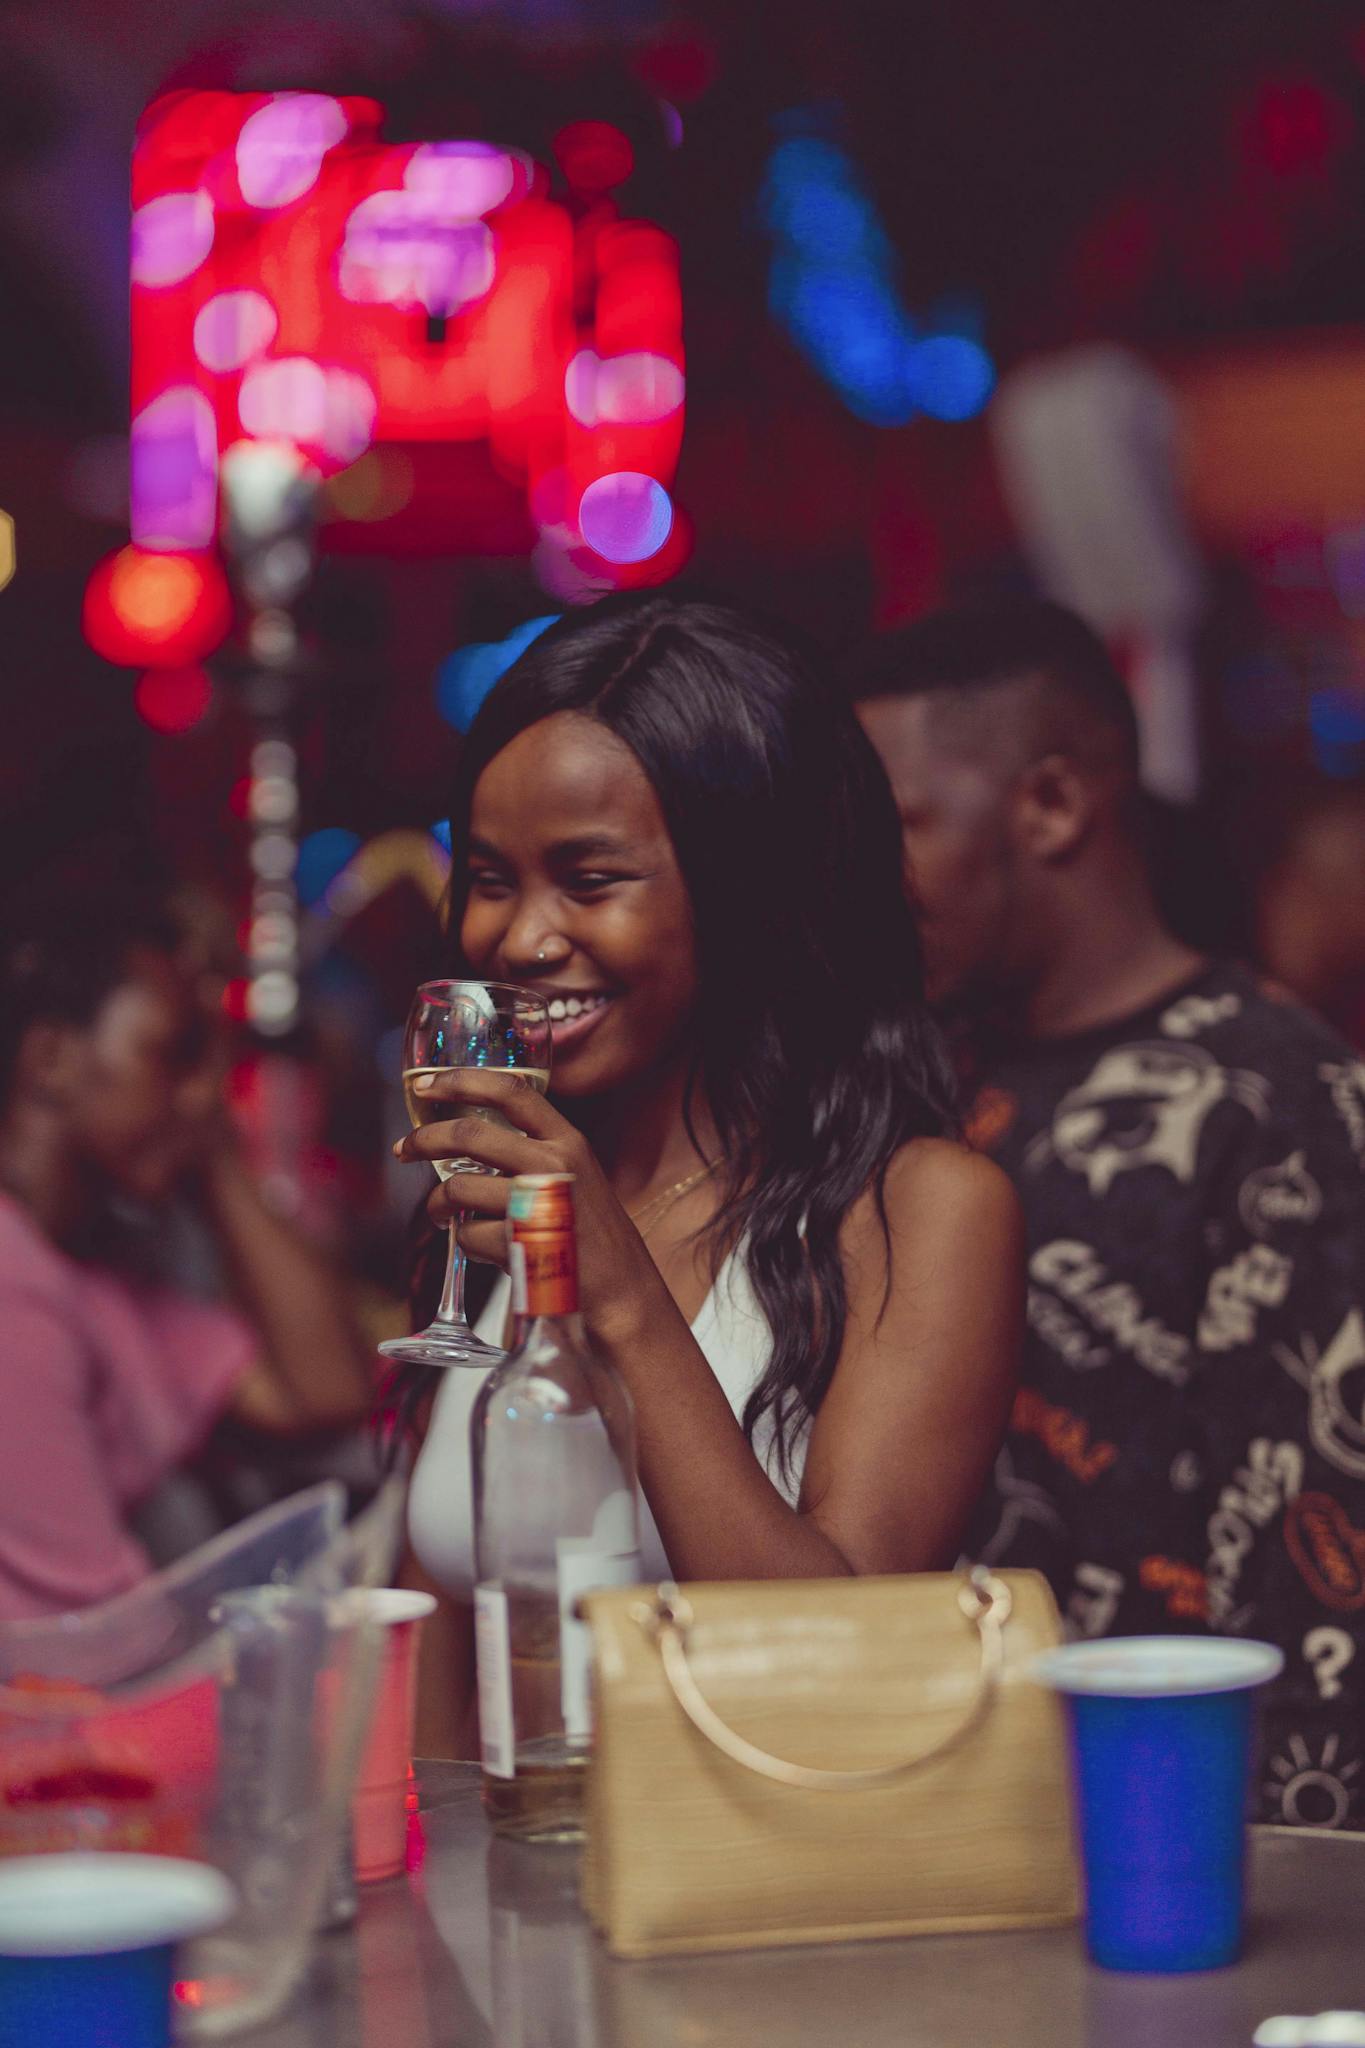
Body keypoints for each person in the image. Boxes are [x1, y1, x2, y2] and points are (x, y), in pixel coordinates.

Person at [400, 592, 1021, 1744]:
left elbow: (838, 1670)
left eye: (590, 880)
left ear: (752, 892)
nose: (522, 940)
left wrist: (622, 1293)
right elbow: (441, 1640)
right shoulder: (509, 1188)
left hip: (764, 1901)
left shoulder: (923, 1208)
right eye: (492, 877)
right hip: (518, 1899)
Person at [852, 595, 1365, 1830]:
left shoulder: (1275, 1094)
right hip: (937, 1813)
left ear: (1054, 803)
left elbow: (1322, 1565)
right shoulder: (916, 1081)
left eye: (899, 827)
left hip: (1168, 1840)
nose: (865, 881)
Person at [0, 884, 376, 1620]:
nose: (209, 1096)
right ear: (50, 1060)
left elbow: (326, 1390)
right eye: (173, 1055)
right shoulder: (14, 1288)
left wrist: (214, 1158)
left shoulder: (98, 1277)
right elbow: (95, 1639)